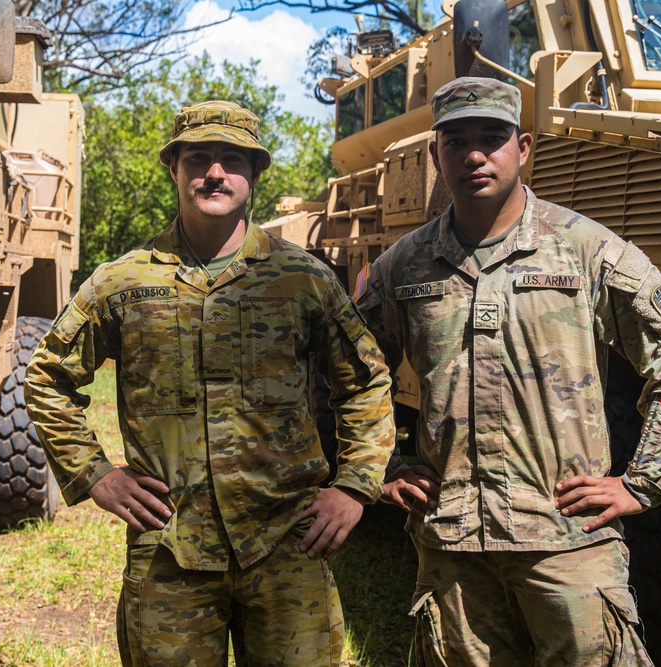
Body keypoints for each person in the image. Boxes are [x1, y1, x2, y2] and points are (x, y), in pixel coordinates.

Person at [353, 77, 661, 666]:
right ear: (436, 153)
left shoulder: (586, 250)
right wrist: (377, 470)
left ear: (523, 148)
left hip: (566, 542)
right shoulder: (404, 266)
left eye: (491, 138)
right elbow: (348, 377)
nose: (474, 155)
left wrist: (640, 482)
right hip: (453, 544)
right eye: (456, 140)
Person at [25, 100, 395, 666]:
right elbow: (48, 377)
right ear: (174, 168)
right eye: (198, 158)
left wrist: (354, 488)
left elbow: (365, 382)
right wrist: (92, 474)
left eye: (232, 159)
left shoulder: (302, 279)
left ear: (255, 173)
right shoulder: (121, 282)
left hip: (287, 541)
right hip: (169, 547)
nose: (215, 172)